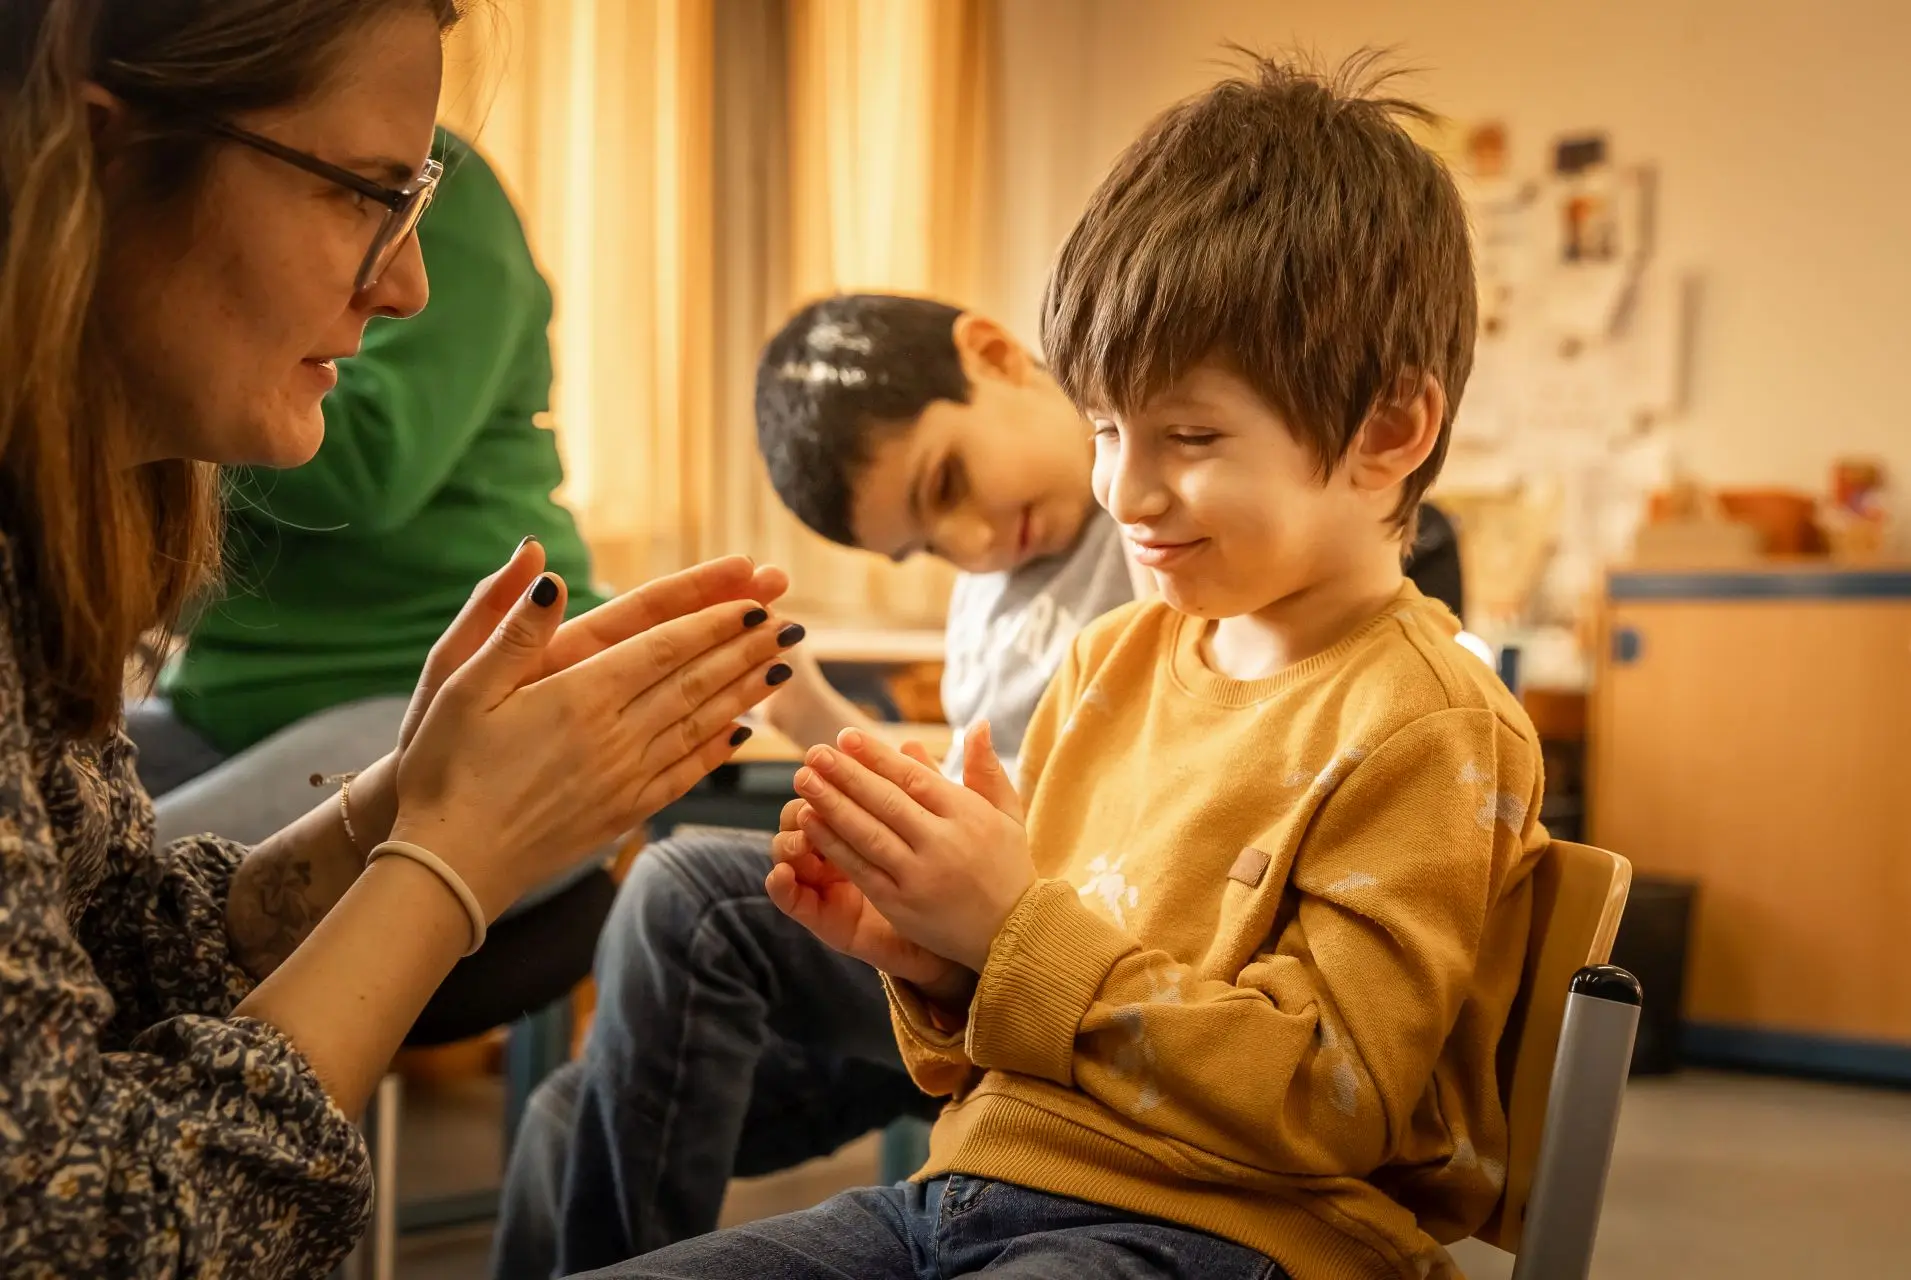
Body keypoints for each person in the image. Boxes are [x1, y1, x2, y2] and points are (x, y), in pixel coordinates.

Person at [584, 52, 1548, 1280]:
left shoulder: (1428, 723)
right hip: (971, 1188)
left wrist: (1012, 924)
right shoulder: (1109, 660)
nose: (1124, 490)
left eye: (1189, 435)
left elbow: (1331, 1097)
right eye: (1103, 426)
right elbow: (996, 1045)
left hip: (1229, 1233)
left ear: (1389, 431)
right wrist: (933, 952)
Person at [0, 3, 803, 1276]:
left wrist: (397, 804)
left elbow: (106, 934)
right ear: (105, 158)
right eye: (362, 194)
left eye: (415, 197)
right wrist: (448, 852)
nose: (407, 284)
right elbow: (90, 1238)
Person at [492, 293, 1140, 1277]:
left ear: (994, 354)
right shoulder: (988, 594)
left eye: (948, 479)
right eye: (926, 547)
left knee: (685, 891)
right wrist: (799, 704)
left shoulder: (1146, 516)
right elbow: (970, 789)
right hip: (946, 973)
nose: (969, 541)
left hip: (1058, 946)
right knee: (565, 1111)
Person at [128, 123, 606, 847]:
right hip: (225, 694)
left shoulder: (441, 188)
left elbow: (372, 463)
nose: (404, 289)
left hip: (421, 681)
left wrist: (138, 391)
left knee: (101, 883)